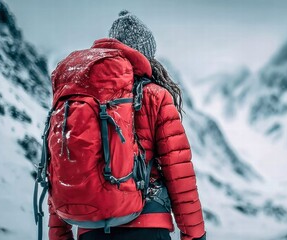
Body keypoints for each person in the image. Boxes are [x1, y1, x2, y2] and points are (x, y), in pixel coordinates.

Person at [47, 10, 206, 240]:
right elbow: (179, 172)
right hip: (148, 227)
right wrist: (194, 234)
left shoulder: (81, 97)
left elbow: (61, 166)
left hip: (91, 230)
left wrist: (59, 235)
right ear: (147, 55)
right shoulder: (156, 96)